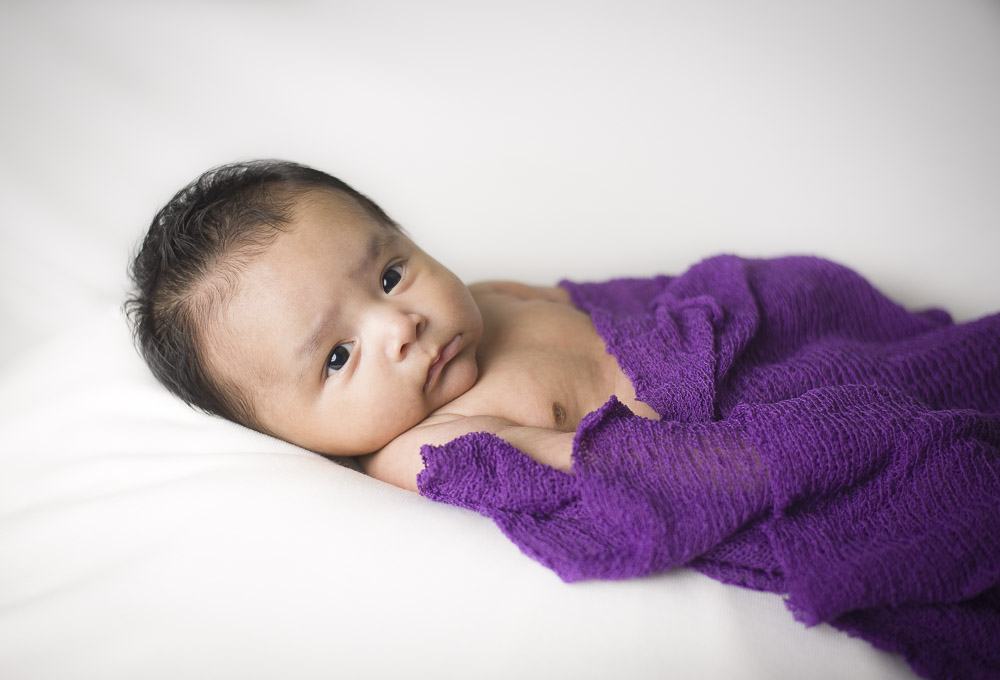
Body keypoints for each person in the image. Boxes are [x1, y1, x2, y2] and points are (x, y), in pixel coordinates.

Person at [127, 159, 654, 490]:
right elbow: (618, 465)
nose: (402, 325)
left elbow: (625, 297)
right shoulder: (427, 449)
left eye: (390, 276)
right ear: (304, 442)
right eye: (338, 356)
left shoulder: (490, 296)